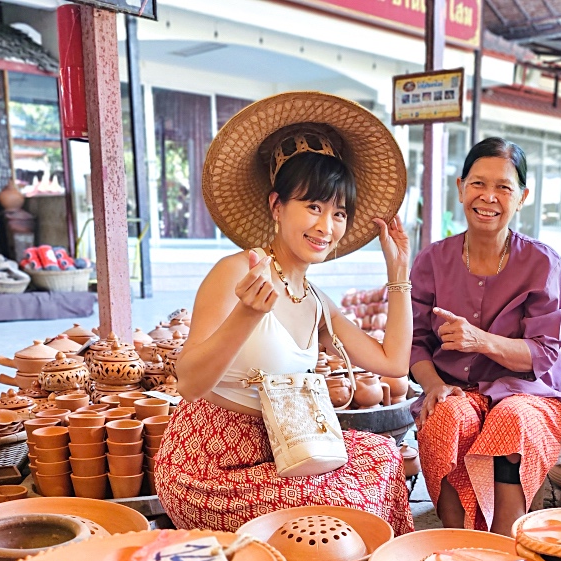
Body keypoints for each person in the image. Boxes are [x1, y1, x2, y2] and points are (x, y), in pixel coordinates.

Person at [155, 92, 414, 534]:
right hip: (211, 462)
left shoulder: (315, 299)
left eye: (338, 213)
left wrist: (398, 273)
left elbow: (393, 362)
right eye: (312, 206)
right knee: (338, 508)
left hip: (286, 447)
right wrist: (246, 315)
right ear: (277, 206)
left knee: (385, 457)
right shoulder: (236, 271)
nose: (325, 227)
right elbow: (190, 383)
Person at [411, 138, 561, 535]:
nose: (489, 197)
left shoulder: (542, 262)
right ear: (461, 187)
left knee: (511, 420)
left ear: (523, 197)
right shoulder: (432, 260)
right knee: (446, 415)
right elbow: (415, 342)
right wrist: (433, 387)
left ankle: (501, 545)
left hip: (526, 395)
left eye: (504, 187)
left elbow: (543, 356)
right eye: (478, 184)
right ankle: (456, 541)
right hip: (457, 390)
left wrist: (479, 340)